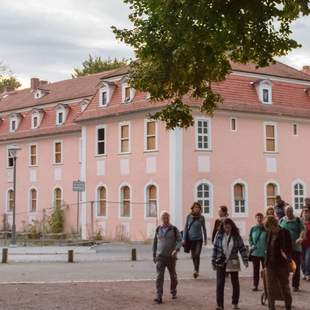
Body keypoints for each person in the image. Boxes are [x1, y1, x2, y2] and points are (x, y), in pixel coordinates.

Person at [212, 218, 248, 310]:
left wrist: (245, 260)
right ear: (223, 227)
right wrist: (213, 261)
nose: (227, 227)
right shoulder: (219, 235)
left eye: (228, 226)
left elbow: (242, 248)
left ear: (232, 226)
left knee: (235, 283)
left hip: (233, 261)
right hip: (221, 261)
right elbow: (215, 248)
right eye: (225, 226)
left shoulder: (236, 236)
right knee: (220, 283)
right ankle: (220, 305)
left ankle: (235, 303)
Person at [152, 210, 182, 304]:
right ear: (161, 219)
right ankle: (159, 296)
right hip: (160, 256)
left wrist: (176, 250)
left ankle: (173, 291)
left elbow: (180, 241)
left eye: (167, 217)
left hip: (171, 257)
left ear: (169, 218)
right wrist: (154, 254)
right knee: (159, 277)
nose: (165, 219)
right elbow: (155, 243)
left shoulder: (174, 229)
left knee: (173, 276)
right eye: (163, 217)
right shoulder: (158, 229)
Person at [264, 215, 292, 310]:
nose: (270, 230)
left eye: (271, 228)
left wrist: (286, 255)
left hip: (282, 265)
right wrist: (266, 263)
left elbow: (289, 249)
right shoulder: (269, 233)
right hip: (270, 265)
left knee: (285, 288)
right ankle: (271, 308)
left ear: (274, 224)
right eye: (268, 229)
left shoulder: (285, 233)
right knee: (270, 289)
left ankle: (288, 307)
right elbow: (267, 248)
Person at [279, 206, 304, 291]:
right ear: (285, 212)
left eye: (290, 211)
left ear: (292, 211)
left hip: (296, 247)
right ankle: (284, 284)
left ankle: (295, 285)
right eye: (287, 211)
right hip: (285, 249)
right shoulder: (282, 220)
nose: (288, 213)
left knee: (296, 267)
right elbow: (278, 231)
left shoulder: (298, 220)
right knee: (284, 267)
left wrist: (300, 237)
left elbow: (302, 230)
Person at [183, 202, 207, 278]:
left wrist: (205, 239)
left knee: (197, 254)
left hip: (199, 239)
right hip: (190, 239)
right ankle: (196, 270)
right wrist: (184, 238)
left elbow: (204, 228)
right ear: (192, 208)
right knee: (193, 256)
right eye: (195, 207)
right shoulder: (189, 216)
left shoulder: (202, 217)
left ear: (200, 209)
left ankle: (196, 270)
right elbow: (186, 228)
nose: (196, 208)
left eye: (198, 207)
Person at [249, 213, 267, 291]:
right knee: (255, 270)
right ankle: (255, 285)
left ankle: (266, 285)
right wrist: (252, 244)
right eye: (258, 217)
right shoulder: (253, 228)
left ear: (263, 218)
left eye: (261, 217)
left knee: (265, 270)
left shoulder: (265, 228)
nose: (259, 219)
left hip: (264, 253)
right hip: (255, 253)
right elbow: (250, 238)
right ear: (256, 218)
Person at [300, 206, 310, 281]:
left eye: (307, 213)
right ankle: (303, 272)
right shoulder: (299, 222)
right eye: (304, 213)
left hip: (309, 244)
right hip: (300, 244)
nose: (306, 214)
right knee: (302, 259)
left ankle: (307, 273)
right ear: (302, 214)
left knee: (307, 259)